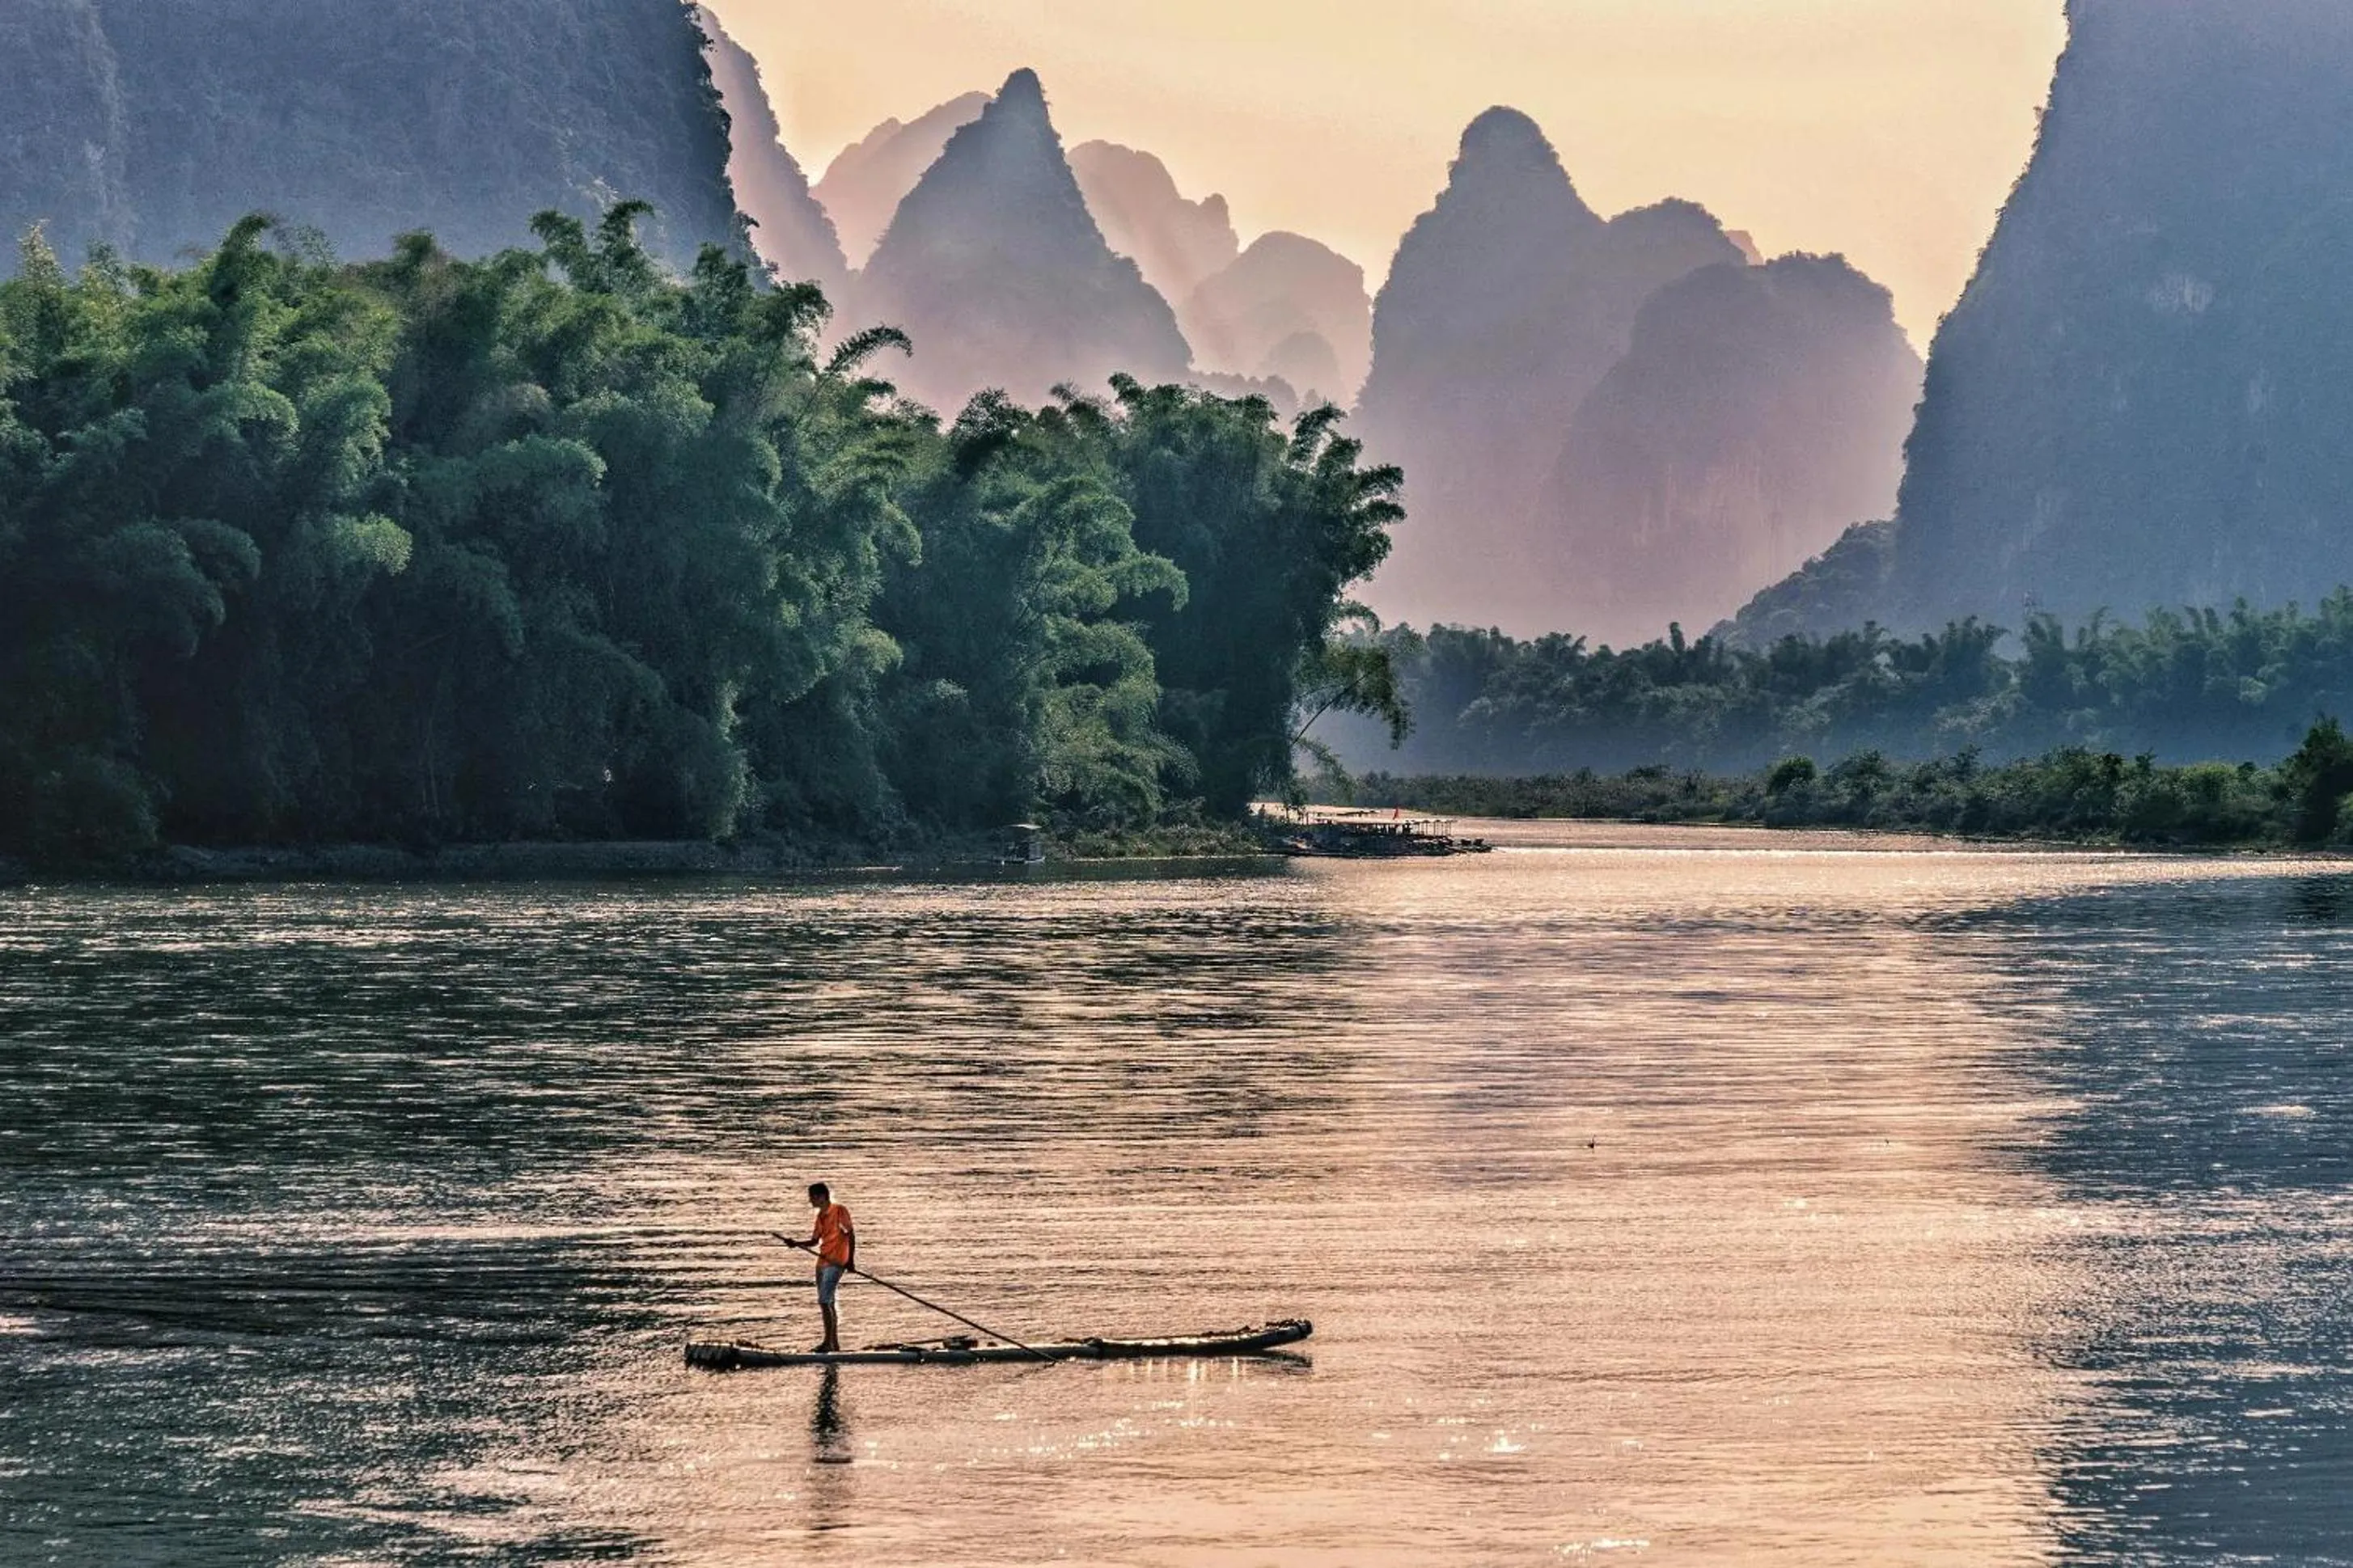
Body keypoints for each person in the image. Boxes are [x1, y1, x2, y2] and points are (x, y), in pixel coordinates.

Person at [790, 1182, 856, 1353]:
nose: (810, 1201)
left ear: (821, 1196)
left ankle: (827, 1343)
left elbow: (850, 1234)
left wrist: (850, 1261)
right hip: (822, 1262)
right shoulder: (820, 1216)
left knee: (824, 1301)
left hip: (836, 1263)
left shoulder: (839, 1211)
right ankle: (834, 1344)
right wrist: (795, 1243)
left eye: (812, 1197)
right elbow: (814, 1241)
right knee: (829, 1302)